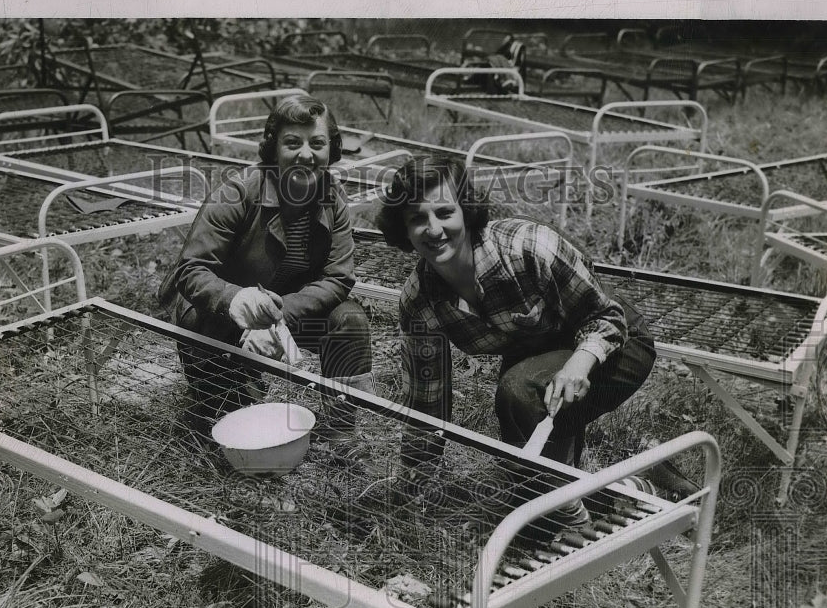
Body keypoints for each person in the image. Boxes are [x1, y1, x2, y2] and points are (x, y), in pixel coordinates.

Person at [376, 156, 657, 535]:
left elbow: (605, 317)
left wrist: (578, 365)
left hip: (614, 342)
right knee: (526, 481)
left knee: (519, 395)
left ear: (467, 210)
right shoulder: (419, 303)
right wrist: (411, 483)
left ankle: (572, 521)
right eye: (417, 219)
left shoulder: (526, 247)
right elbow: (428, 405)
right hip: (538, 364)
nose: (434, 230)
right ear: (403, 229)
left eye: (445, 212)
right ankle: (633, 487)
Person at [159, 94, 375, 439]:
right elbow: (191, 270)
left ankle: (340, 434)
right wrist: (239, 302)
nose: (306, 153)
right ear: (274, 147)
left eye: (317, 143)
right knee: (234, 429)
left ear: (331, 149)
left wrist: (276, 315)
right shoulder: (237, 191)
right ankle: (230, 383)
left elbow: (338, 277)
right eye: (293, 142)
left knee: (349, 320)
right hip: (219, 315)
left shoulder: (333, 195)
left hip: (284, 308)